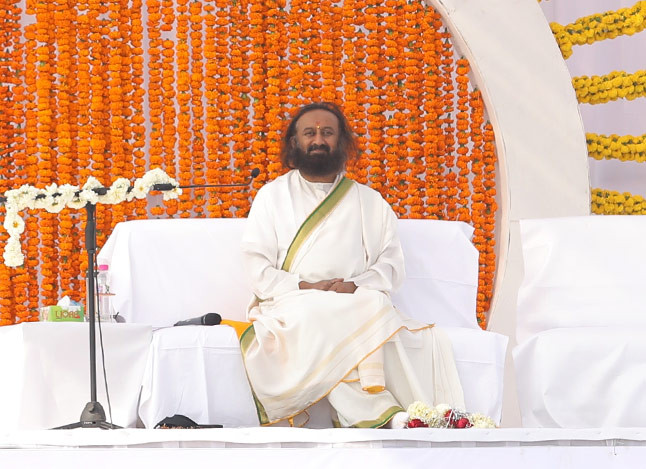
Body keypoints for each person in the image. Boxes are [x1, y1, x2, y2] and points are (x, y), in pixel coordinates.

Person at [239, 102, 464, 428]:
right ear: (295, 142)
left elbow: (391, 263)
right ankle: (381, 413)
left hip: (352, 298)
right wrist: (305, 287)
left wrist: (355, 285)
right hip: (293, 301)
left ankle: (388, 415)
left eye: (327, 133)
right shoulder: (271, 196)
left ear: (341, 141)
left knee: (373, 303)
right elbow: (255, 264)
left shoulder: (369, 201)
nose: (318, 140)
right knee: (317, 313)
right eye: (310, 133)